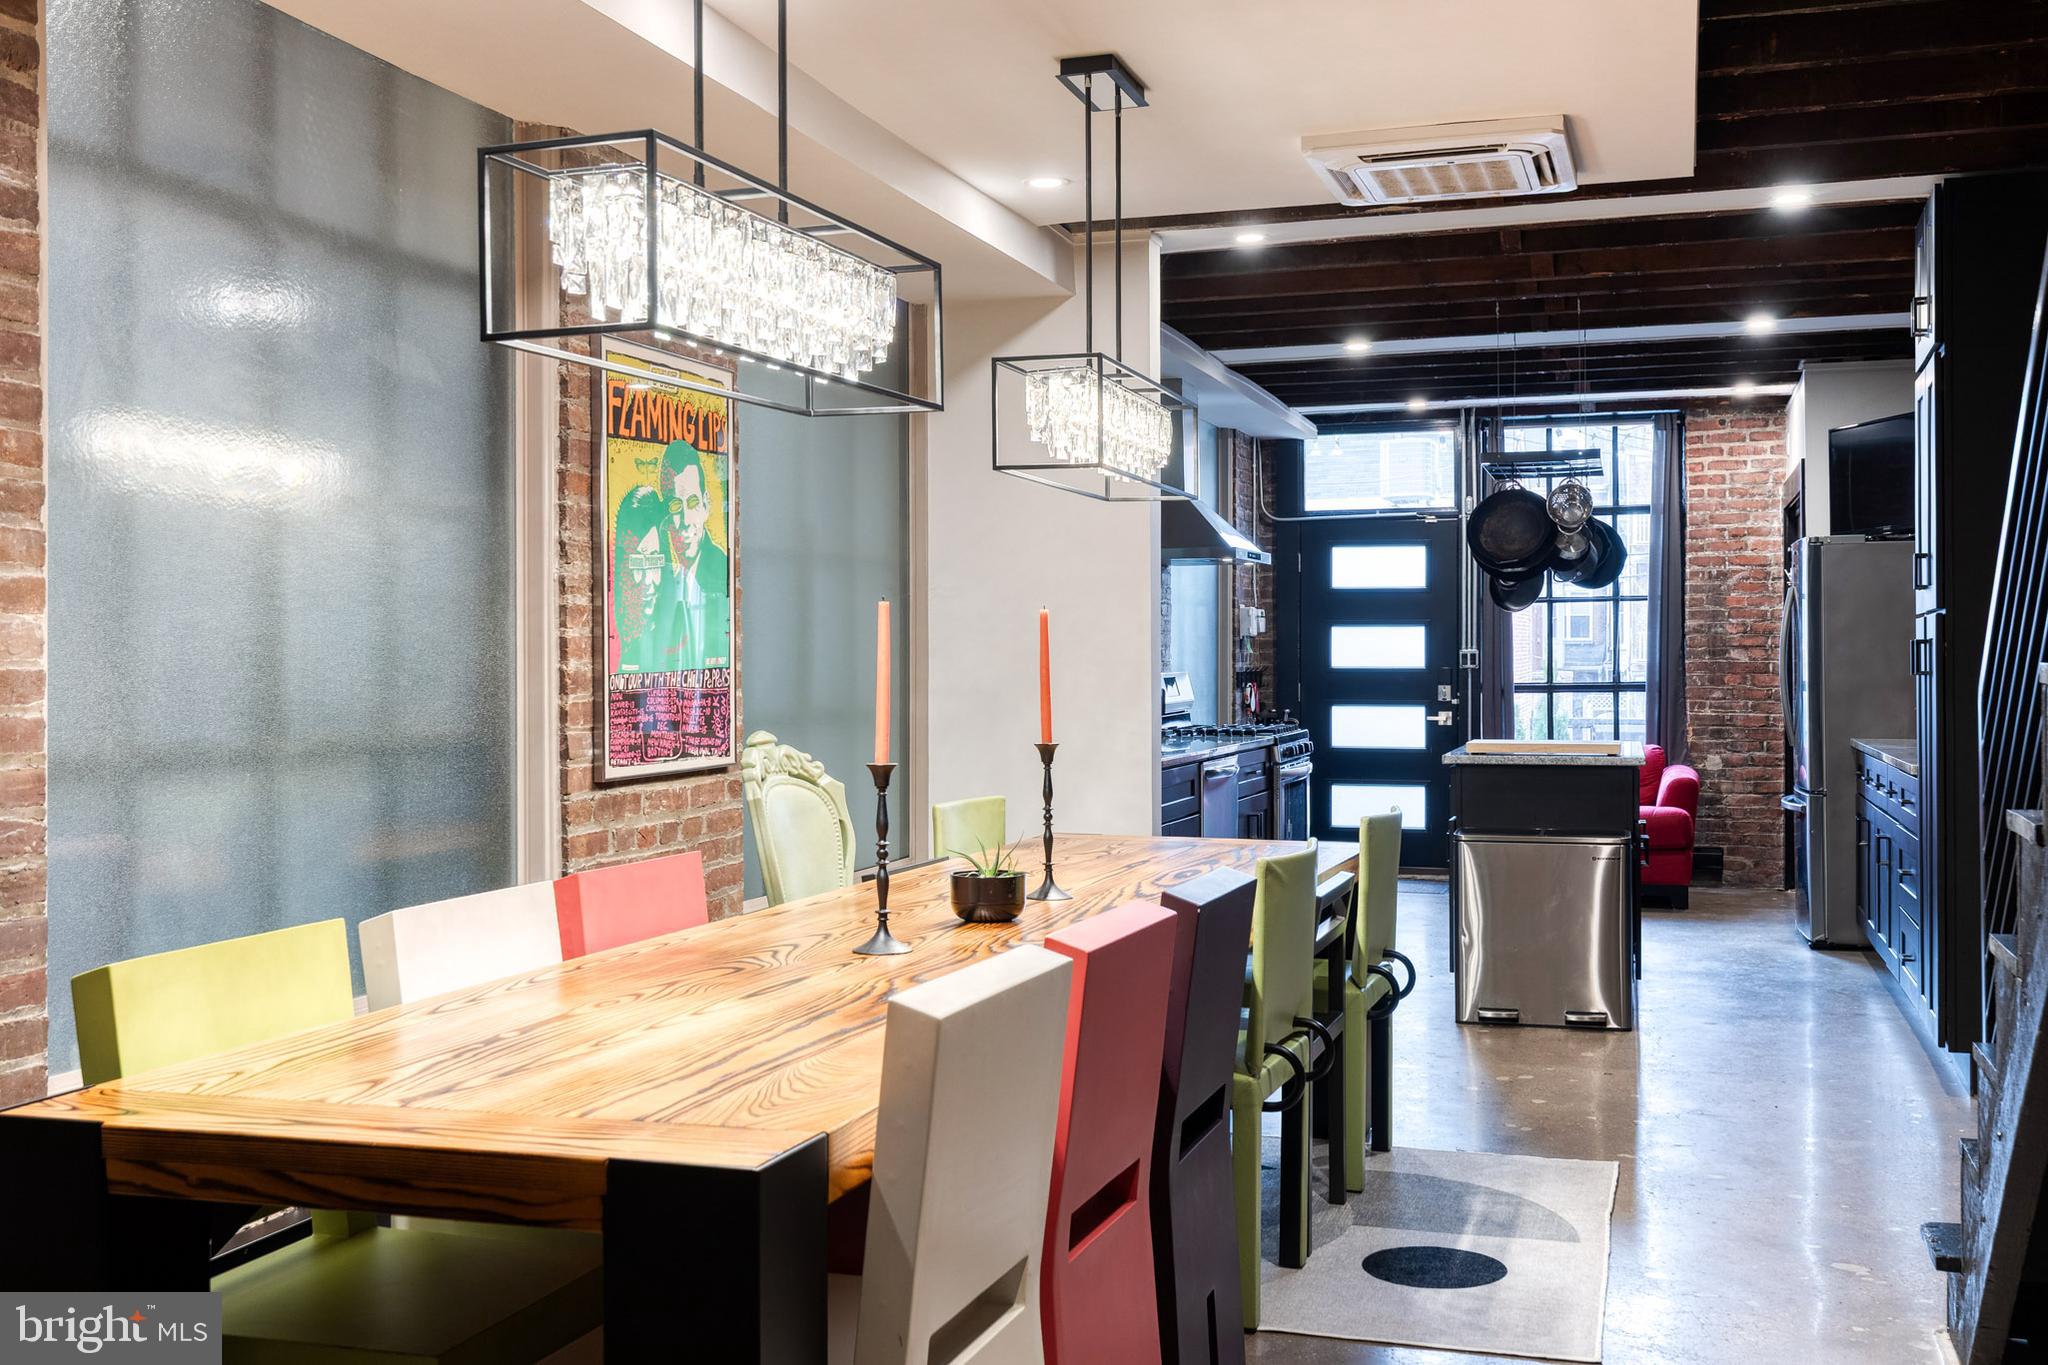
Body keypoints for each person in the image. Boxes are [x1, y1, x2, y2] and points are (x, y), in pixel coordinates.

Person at [659, 437, 731, 670]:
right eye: (675, 507)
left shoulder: (722, 572)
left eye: (692, 502)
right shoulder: (660, 579)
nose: (685, 522)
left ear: (706, 504)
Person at [610, 484, 677, 674]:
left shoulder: (679, 622)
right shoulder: (615, 633)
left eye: (655, 559)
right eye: (638, 561)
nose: (648, 580)